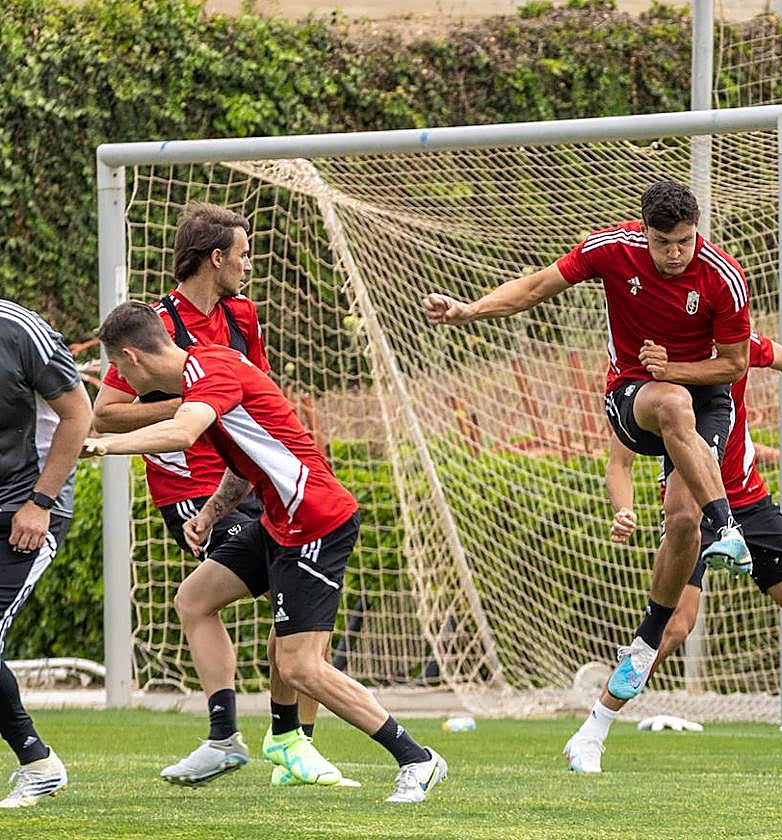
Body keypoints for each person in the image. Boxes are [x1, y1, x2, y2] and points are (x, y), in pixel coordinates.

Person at [85, 301, 448, 803]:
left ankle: (416, 757)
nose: (120, 381)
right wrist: (210, 514)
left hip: (314, 520)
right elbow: (245, 463)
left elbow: (181, 432)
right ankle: (226, 739)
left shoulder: (208, 371)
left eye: (118, 370)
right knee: (195, 600)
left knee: (300, 665)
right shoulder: (207, 370)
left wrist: (103, 444)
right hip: (278, 522)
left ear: (132, 357)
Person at [423, 180, 752, 705]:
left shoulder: (723, 277)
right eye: (663, 242)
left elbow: (735, 365)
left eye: (684, 242)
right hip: (635, 392)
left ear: (697, 231)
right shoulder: (611, 249)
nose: (675, 254)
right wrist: (468, 310)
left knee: (683, 518)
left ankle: (645, 643)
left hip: (706, 398)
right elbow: (534, 288)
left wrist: (675, 368)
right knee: (671, 403)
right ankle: (729, 528)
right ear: (644, 232)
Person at [564, 332, 782, 775]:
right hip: (692, 510)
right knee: (674, 627)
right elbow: (620, 461)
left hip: (750, 503)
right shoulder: (654, 376)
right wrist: (624, 508)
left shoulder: (732, 346)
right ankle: (592, 731)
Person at [91, 203, 335, 788]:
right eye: (244, 254)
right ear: (216, 258)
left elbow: (254, 391)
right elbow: (106, 414)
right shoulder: (153, 329)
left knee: (298, 599)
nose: (250, 265)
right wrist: (195, 405)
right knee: (281, 592)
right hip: (190, 490)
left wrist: (227, 405)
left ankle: (285, 745)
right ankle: (263, 740)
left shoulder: (243, 316)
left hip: (249, 479)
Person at [0, 299, 91, 807]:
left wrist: (40, 502)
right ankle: (37, 763)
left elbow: (79, 414)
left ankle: (39, 765)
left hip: (28, 513)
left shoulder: (19, 331)